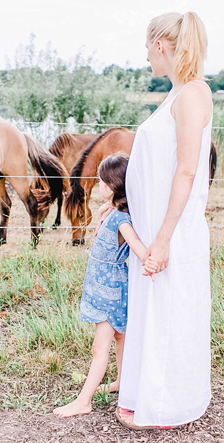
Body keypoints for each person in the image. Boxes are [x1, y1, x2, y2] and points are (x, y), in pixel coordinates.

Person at [116, 11, 214, 430]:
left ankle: (169, 404)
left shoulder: (192, 94)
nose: (146, 59)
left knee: (172, 309)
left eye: (147, 49)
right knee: (156, 309)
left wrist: (163, 237)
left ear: (160, 45)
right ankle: (148, 393)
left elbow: (188, 171)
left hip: (171, 228)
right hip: (155, 225)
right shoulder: (176, 96)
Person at [53, 154, 158, 418]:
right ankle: (123, 383)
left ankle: (83, 401)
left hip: (109, 292)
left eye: (101, 181)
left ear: (111, 186)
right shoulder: (113, 213)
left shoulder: (121, 220)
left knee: (100, 348)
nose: (97, 185)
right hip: (106, 287)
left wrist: (151, 260)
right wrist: (105, 209)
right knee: (120, 338)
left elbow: (137, 247)